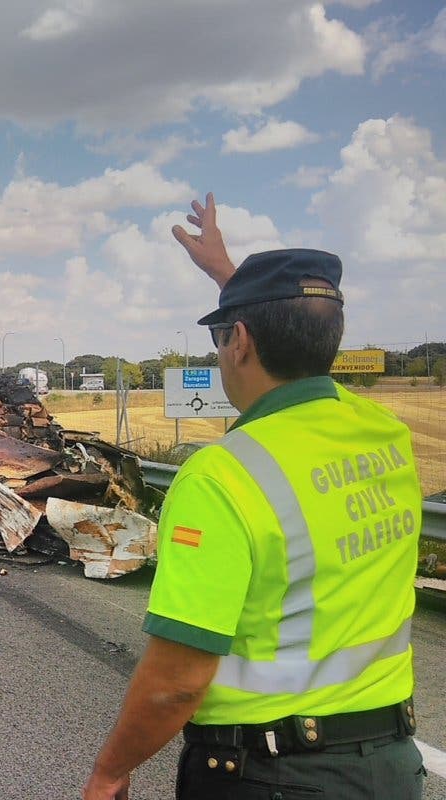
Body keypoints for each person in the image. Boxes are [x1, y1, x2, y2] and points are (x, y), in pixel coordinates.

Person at [83, 193, 424, 799]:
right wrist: (229, 275)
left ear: (239, 341)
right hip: (390, 768)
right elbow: (293, 329)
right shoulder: (385, 436)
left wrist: (110, 771)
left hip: (275, 776)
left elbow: (177, 683)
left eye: (222, 337)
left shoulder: (224, 477)